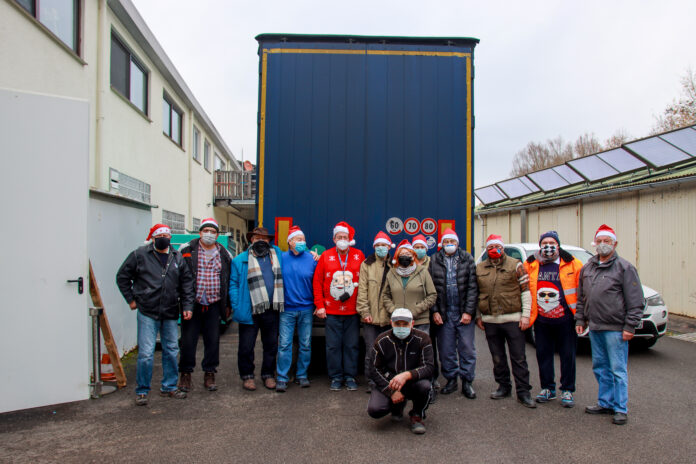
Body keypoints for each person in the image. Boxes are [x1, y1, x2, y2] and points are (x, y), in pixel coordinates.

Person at [116, 224, 194, 406]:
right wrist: (131, 299)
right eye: (161, 235)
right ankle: (142, 390)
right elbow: (122, 277)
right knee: (146, 353)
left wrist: (187, 305)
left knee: (172, 350)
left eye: (168, 234)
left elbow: (187, 283)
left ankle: (169, 386)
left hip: (170, 311)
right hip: (147, 311)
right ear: (153, 237)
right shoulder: (139, 255)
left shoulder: (177, 257)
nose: (165, 237)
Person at [575, 224, 644, 426]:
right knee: (601, 367)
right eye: (600, 241)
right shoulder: (587, 267)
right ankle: (605, 402)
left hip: (615, 329)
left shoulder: (625, 268)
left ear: (615, 244)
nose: (603, 245)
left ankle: (620, 408)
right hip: (595, 327)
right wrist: (581, 319)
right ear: (594, 243)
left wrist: (630, 326)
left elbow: (635, 301)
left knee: (618, 369)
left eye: (607, 241)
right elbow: (582, 297)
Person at [475, 234, 535, 408]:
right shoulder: (479, 268)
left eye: (497, 246)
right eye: (491, 246)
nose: (494, 249)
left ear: (503, 248)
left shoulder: (516, 265)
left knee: (519, 357)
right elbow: (477, 293)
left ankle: (523, 392)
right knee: (497, 356)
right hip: (490, 320)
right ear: (486, 249)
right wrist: (479, 316)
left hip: (513, 319)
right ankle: (503, 386)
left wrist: (525, 316)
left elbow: (525, 291)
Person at [524, 230, 583, 408]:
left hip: (566, 320)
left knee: (567, 356)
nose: (548, 246)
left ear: (558, 245)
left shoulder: (573, 264)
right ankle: (548, 388)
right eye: (544, 243)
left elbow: (582, 292)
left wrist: (580, 318)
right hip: (542, 320)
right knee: (543, 355)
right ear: (540, 245)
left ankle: (567, 390)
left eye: (551, 242)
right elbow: (525, 289)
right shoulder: (531, 264)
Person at [176, 218, 232, 393]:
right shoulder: (186, 250)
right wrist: (182, 302)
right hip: (192, 304)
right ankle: (185, 374)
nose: (209, 234)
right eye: (206, 230)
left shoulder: (224, 253)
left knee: (212, 341)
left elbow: (228, 279)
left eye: (213, 231)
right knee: (188, 341)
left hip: (214, 304)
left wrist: (228, 304)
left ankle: (209, 373)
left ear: (217, 234)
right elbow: (178, 276)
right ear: (200, 232)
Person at [229, 226, 284, 391]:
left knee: (271, 345)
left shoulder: (277, 255)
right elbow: (233, 284)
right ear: (251, 240)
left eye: (264, 238)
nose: (260, 241)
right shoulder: (240, 260)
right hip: (249, 309)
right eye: (257, 238)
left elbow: (294, 254)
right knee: (246, 346)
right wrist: (236, 304)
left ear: (269, 241)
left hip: (271, 309)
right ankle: (247, 376)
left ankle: (268, 375)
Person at [313, 221, 365, 391]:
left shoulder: (359, 255)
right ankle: (335, 377)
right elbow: (317, 282)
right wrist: (319, 305)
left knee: (352, 345)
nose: (342, 239)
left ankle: (350, 376)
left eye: (345, 237)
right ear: (334, 239)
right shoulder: (326, 256)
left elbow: (364, 283)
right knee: (333, 346)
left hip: (352, 311)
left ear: (350, 239)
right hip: (331, 311)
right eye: (339, 237)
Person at [367, 308, 434, 434]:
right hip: (390, 382)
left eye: (405, 324)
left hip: (412, 382)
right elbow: (374, 369)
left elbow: (429, 367)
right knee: (375, 409)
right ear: (391, 323)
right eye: (398, 324)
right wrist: (391, 391)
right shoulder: (381, 340)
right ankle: (397, 406)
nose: (401, 327)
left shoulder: (423, 339)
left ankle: (417, 415)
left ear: (412, 324)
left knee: (425, 386)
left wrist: (407, 375)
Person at [429, 228, 479, 397]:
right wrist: (435, 311)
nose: (449, 245)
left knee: (467, 349)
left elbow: (473, 287)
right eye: (446, 242)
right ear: (442, 244)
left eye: (452, 242)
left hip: (463, 312)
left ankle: (467, 381)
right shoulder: (434, 260)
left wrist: (469, 312)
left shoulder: (467, 259)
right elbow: (431, 289)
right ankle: (451, 380)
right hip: (444, 313)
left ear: (458, 243)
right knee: (446, 349)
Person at [276, 226, 318, 392]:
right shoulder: (281, 257)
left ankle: (302, 375)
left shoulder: (312, 259)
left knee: (305, 344)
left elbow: (319, 281)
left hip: (307, 309)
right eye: (298, 239)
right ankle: (282, 377)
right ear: (290, 241)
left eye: (303, 239)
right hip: (286, 309)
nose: (302, 242)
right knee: (285, 344)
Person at [356, 231, 394, 393]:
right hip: (370, 318)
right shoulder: (367, 264)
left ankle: (387, 380)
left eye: (383, 245)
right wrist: (364, 312)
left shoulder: (395, 264)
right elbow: (362, 291)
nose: (381, 248)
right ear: (374, 247)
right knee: (371, 351)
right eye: (378, 245)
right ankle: (372, 381)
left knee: (389, 351)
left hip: (388, 318)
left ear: (389, 247)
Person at [383, 240, 437, 332]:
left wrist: (416, 309)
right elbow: (385, 296)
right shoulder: (391, 273)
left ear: (413, 256)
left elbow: (432, 295)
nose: (405, 256)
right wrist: (394, 310)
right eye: (402, 254)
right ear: (397, 257)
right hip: (398, 321)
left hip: (420, 321)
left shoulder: (423, 272)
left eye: (408, 254)